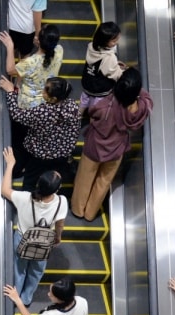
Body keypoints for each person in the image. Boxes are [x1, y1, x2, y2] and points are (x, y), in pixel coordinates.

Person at [72, 68, 153, 221]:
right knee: (104, 181)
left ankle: (78, 209)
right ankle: (90, 213)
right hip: (117, 148)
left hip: (95, 146)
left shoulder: (106, 104)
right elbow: (147, 98)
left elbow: (93, 112)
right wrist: (134, 86)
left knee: (84, 177)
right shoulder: (140, 107)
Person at [1, 156, 68, 304]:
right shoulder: (61, 202)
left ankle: (16, 295)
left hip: (22, 239)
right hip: (44, 242)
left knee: (19, 269)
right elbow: (60, 224)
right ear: (56, 189)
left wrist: (11, 164)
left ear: (38, 183)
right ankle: (26, 298)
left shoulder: (24, 198)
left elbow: (5, 190)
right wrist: (57, 237)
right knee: (37, 271)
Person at [2, 81, 80, 192]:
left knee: (30, 180)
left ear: (53, 99)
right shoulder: (72, 105)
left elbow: (17, 115)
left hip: (41, 155)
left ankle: (28, 199)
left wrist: (11, 92)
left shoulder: (44, 112)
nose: (42, 90)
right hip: (62, 152)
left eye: (45, 90)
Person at [0, 25, 64, 108]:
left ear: (38, 40)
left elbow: (10, 70)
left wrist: (10, 46)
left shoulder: (30, 62)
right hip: (48, 100)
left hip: (29, 105)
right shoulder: (60, 51)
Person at [81, 22, 126, 106]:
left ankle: (78, 117)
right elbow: (114, 75)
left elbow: (100, 63)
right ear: (104, 41)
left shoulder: (91, 46)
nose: (117, 42)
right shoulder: (109, 57)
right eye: (114, 41)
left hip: (86, 83)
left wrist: (115, 63)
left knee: (83, 103)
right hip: (99, 90)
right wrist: (123, 71)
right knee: (95, 111)